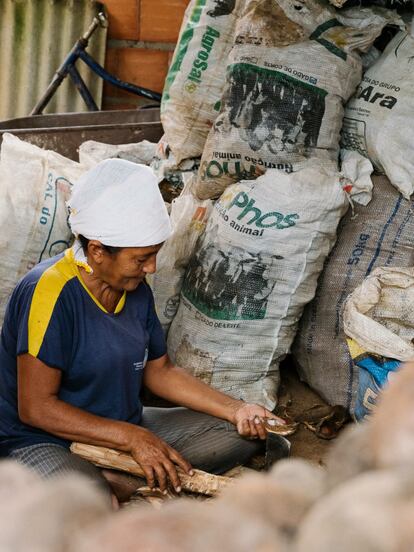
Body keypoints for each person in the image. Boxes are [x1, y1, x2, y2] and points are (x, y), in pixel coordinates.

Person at [0, 160, 283, 501]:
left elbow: (160, 371)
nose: (151, 267)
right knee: (87, 506)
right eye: (141, 259)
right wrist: (134, 439)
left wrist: (237, 409)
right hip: (42, 437)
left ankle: (120, 475)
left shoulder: (135, 289)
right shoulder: (49, 292)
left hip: (124, 422)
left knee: (237, 433)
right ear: (98, 250)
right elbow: (36, 408)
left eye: (153, 256)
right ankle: (111, 480)